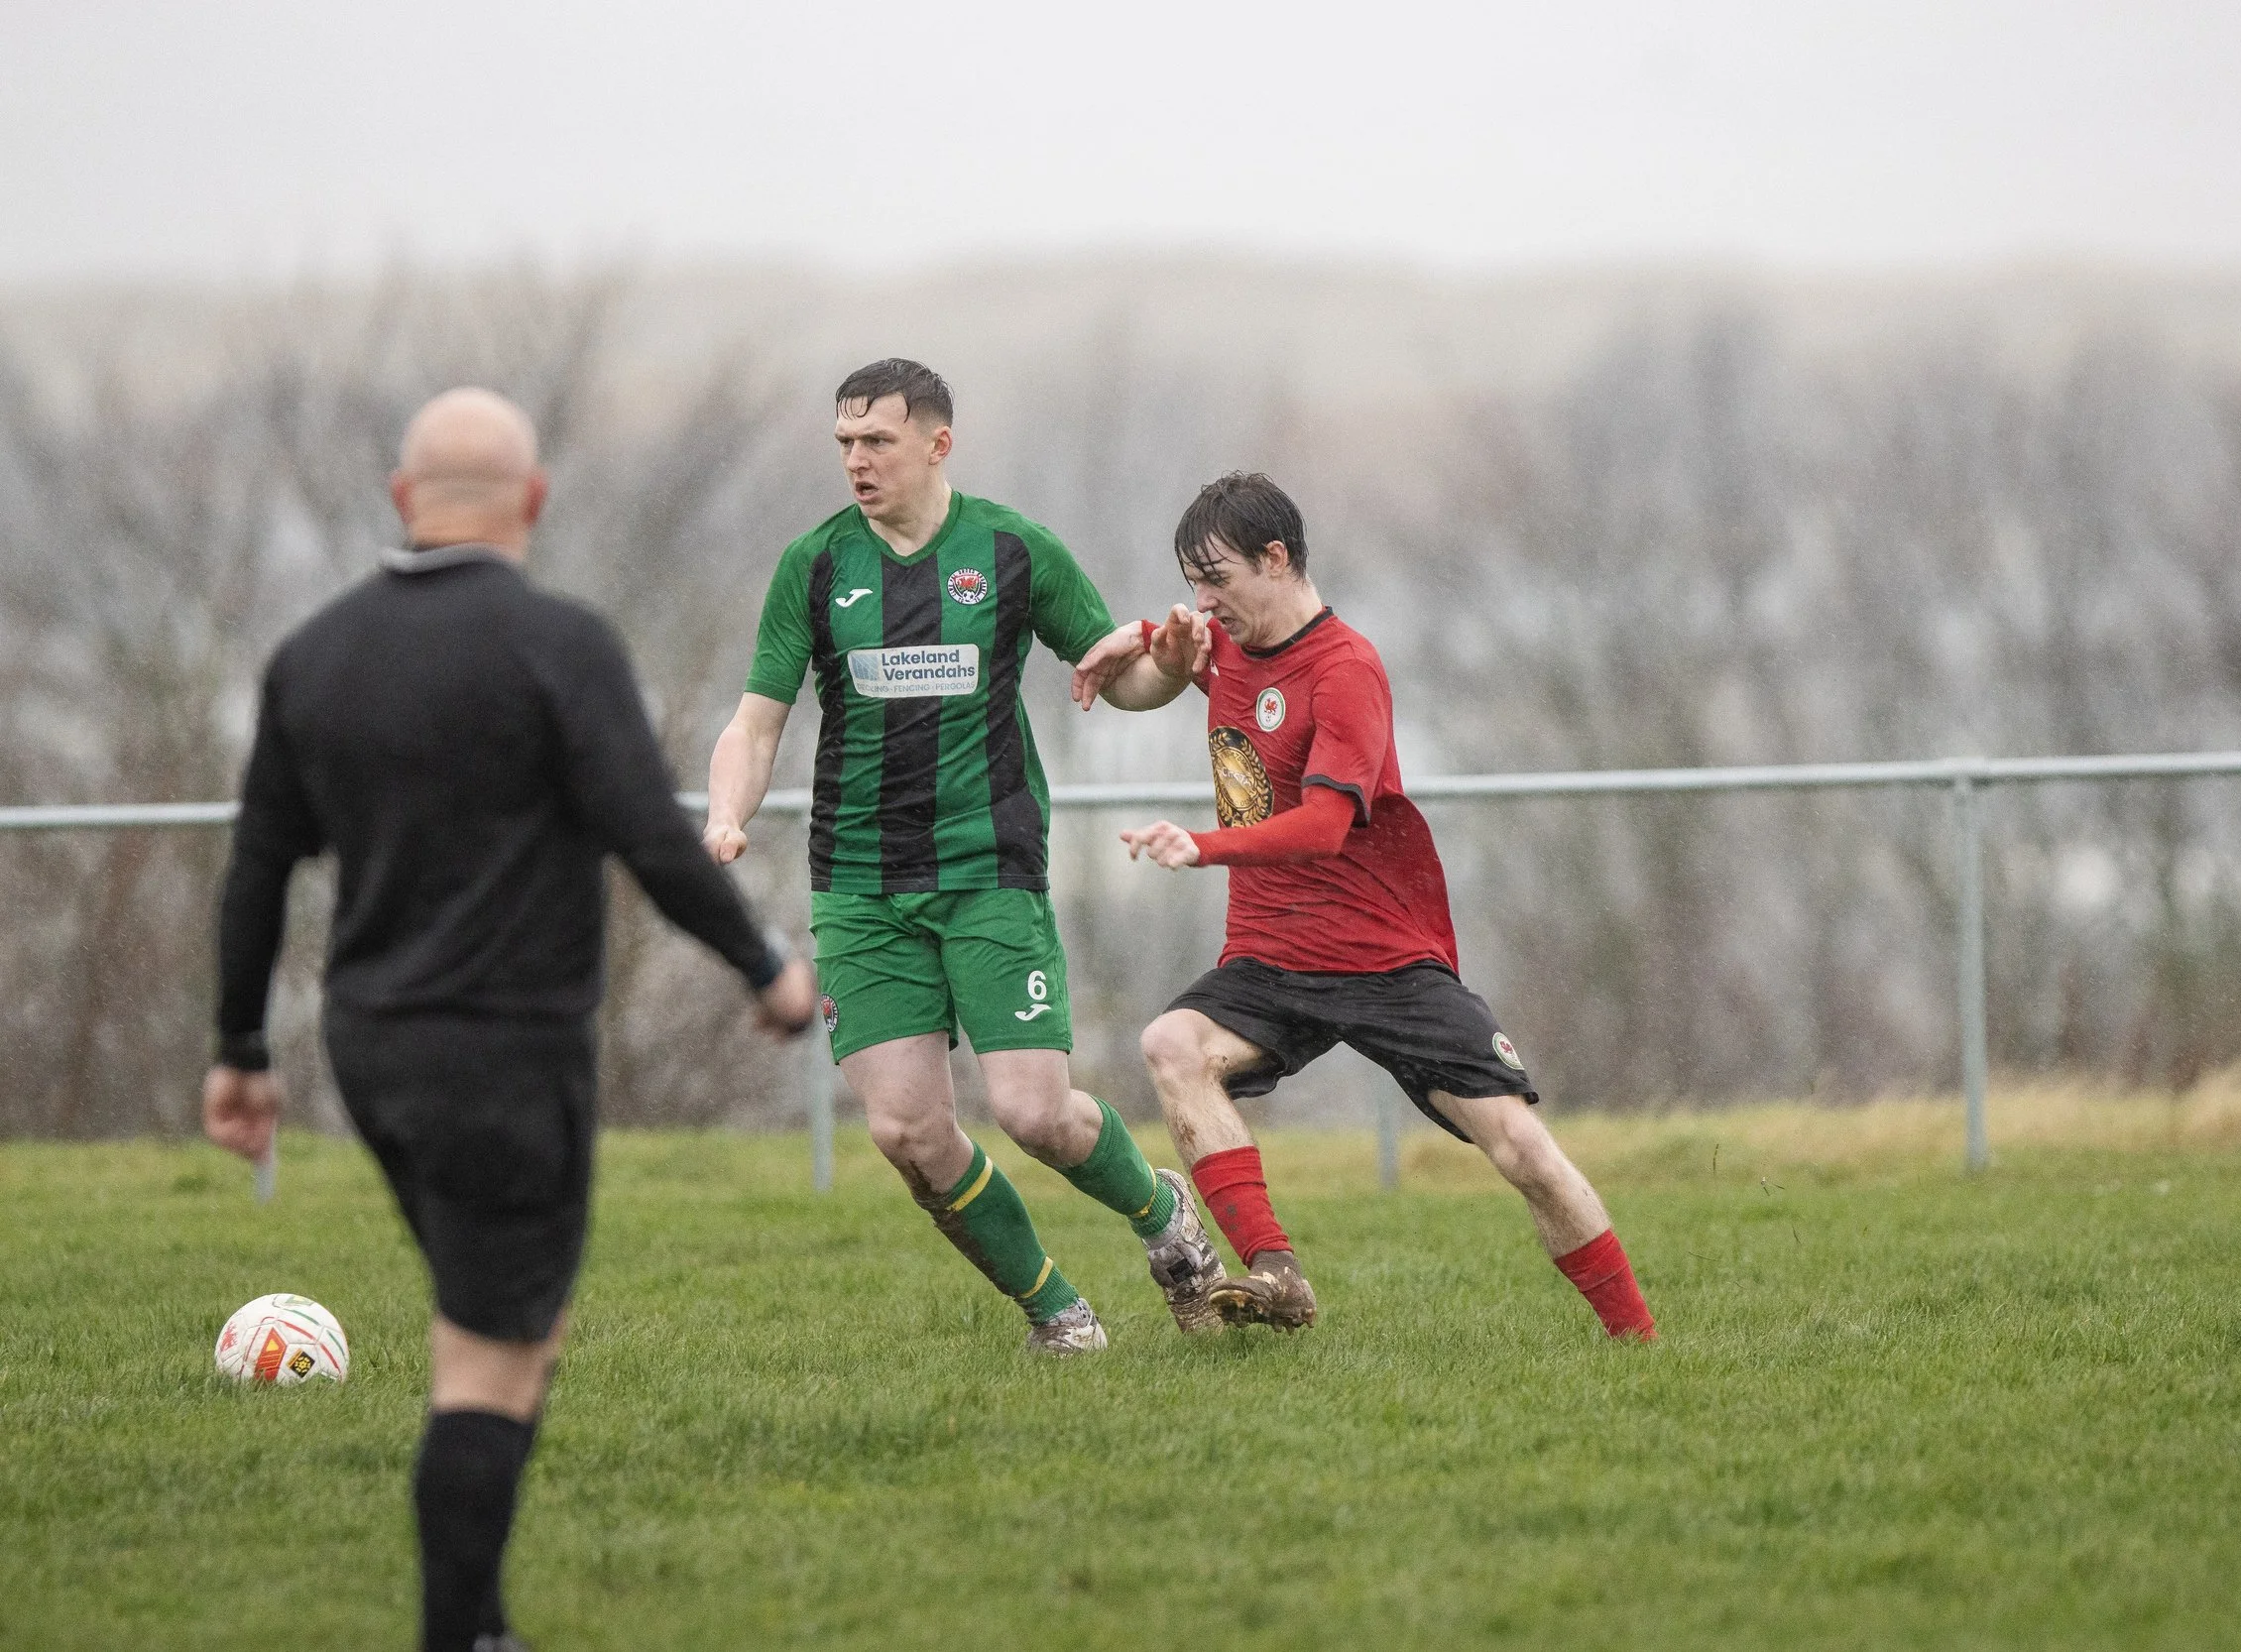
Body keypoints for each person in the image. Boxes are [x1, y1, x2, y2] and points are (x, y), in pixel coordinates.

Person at [203, 388, 819, 1652]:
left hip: (369, 1049)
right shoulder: (559, 643)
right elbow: (648, 830)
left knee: (502, 1326)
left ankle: (479, 1625)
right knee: (487, 1360)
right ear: (533, 501)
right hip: (506, 1052)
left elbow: (258, 866)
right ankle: (463, 1636)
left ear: (399, 501)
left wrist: (240, 1051)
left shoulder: (313, 655)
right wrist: (765, 966)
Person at [701, 358, 1224, 1355]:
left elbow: (1119, 677)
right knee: (907, 1132)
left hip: (989, 871)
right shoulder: (813, 565)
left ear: (938, 443)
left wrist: (1172, 664)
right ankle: (1058, 1314)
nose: (856, 460)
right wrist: (728, 813)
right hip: (858, 885)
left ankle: (1164, 1218)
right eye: (845, 443)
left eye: (878, 442)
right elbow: (755, 721)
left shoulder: (1013, 549)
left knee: (1034, 1112)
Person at [1087, 471, 1658, 1341]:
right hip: (1273, 953)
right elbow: (1162, 668)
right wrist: (1136, 638)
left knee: (1523, 1152)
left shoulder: (1348, 669)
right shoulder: (1228, 644)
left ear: (1276, 560)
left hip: (1383, 957)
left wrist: (1202, 844)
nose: (1203, 601)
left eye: (1219, 579)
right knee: (1172, 1045)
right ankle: (1276, 1273)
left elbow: (1322, 828)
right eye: (1192, 582)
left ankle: (1639, 1342)